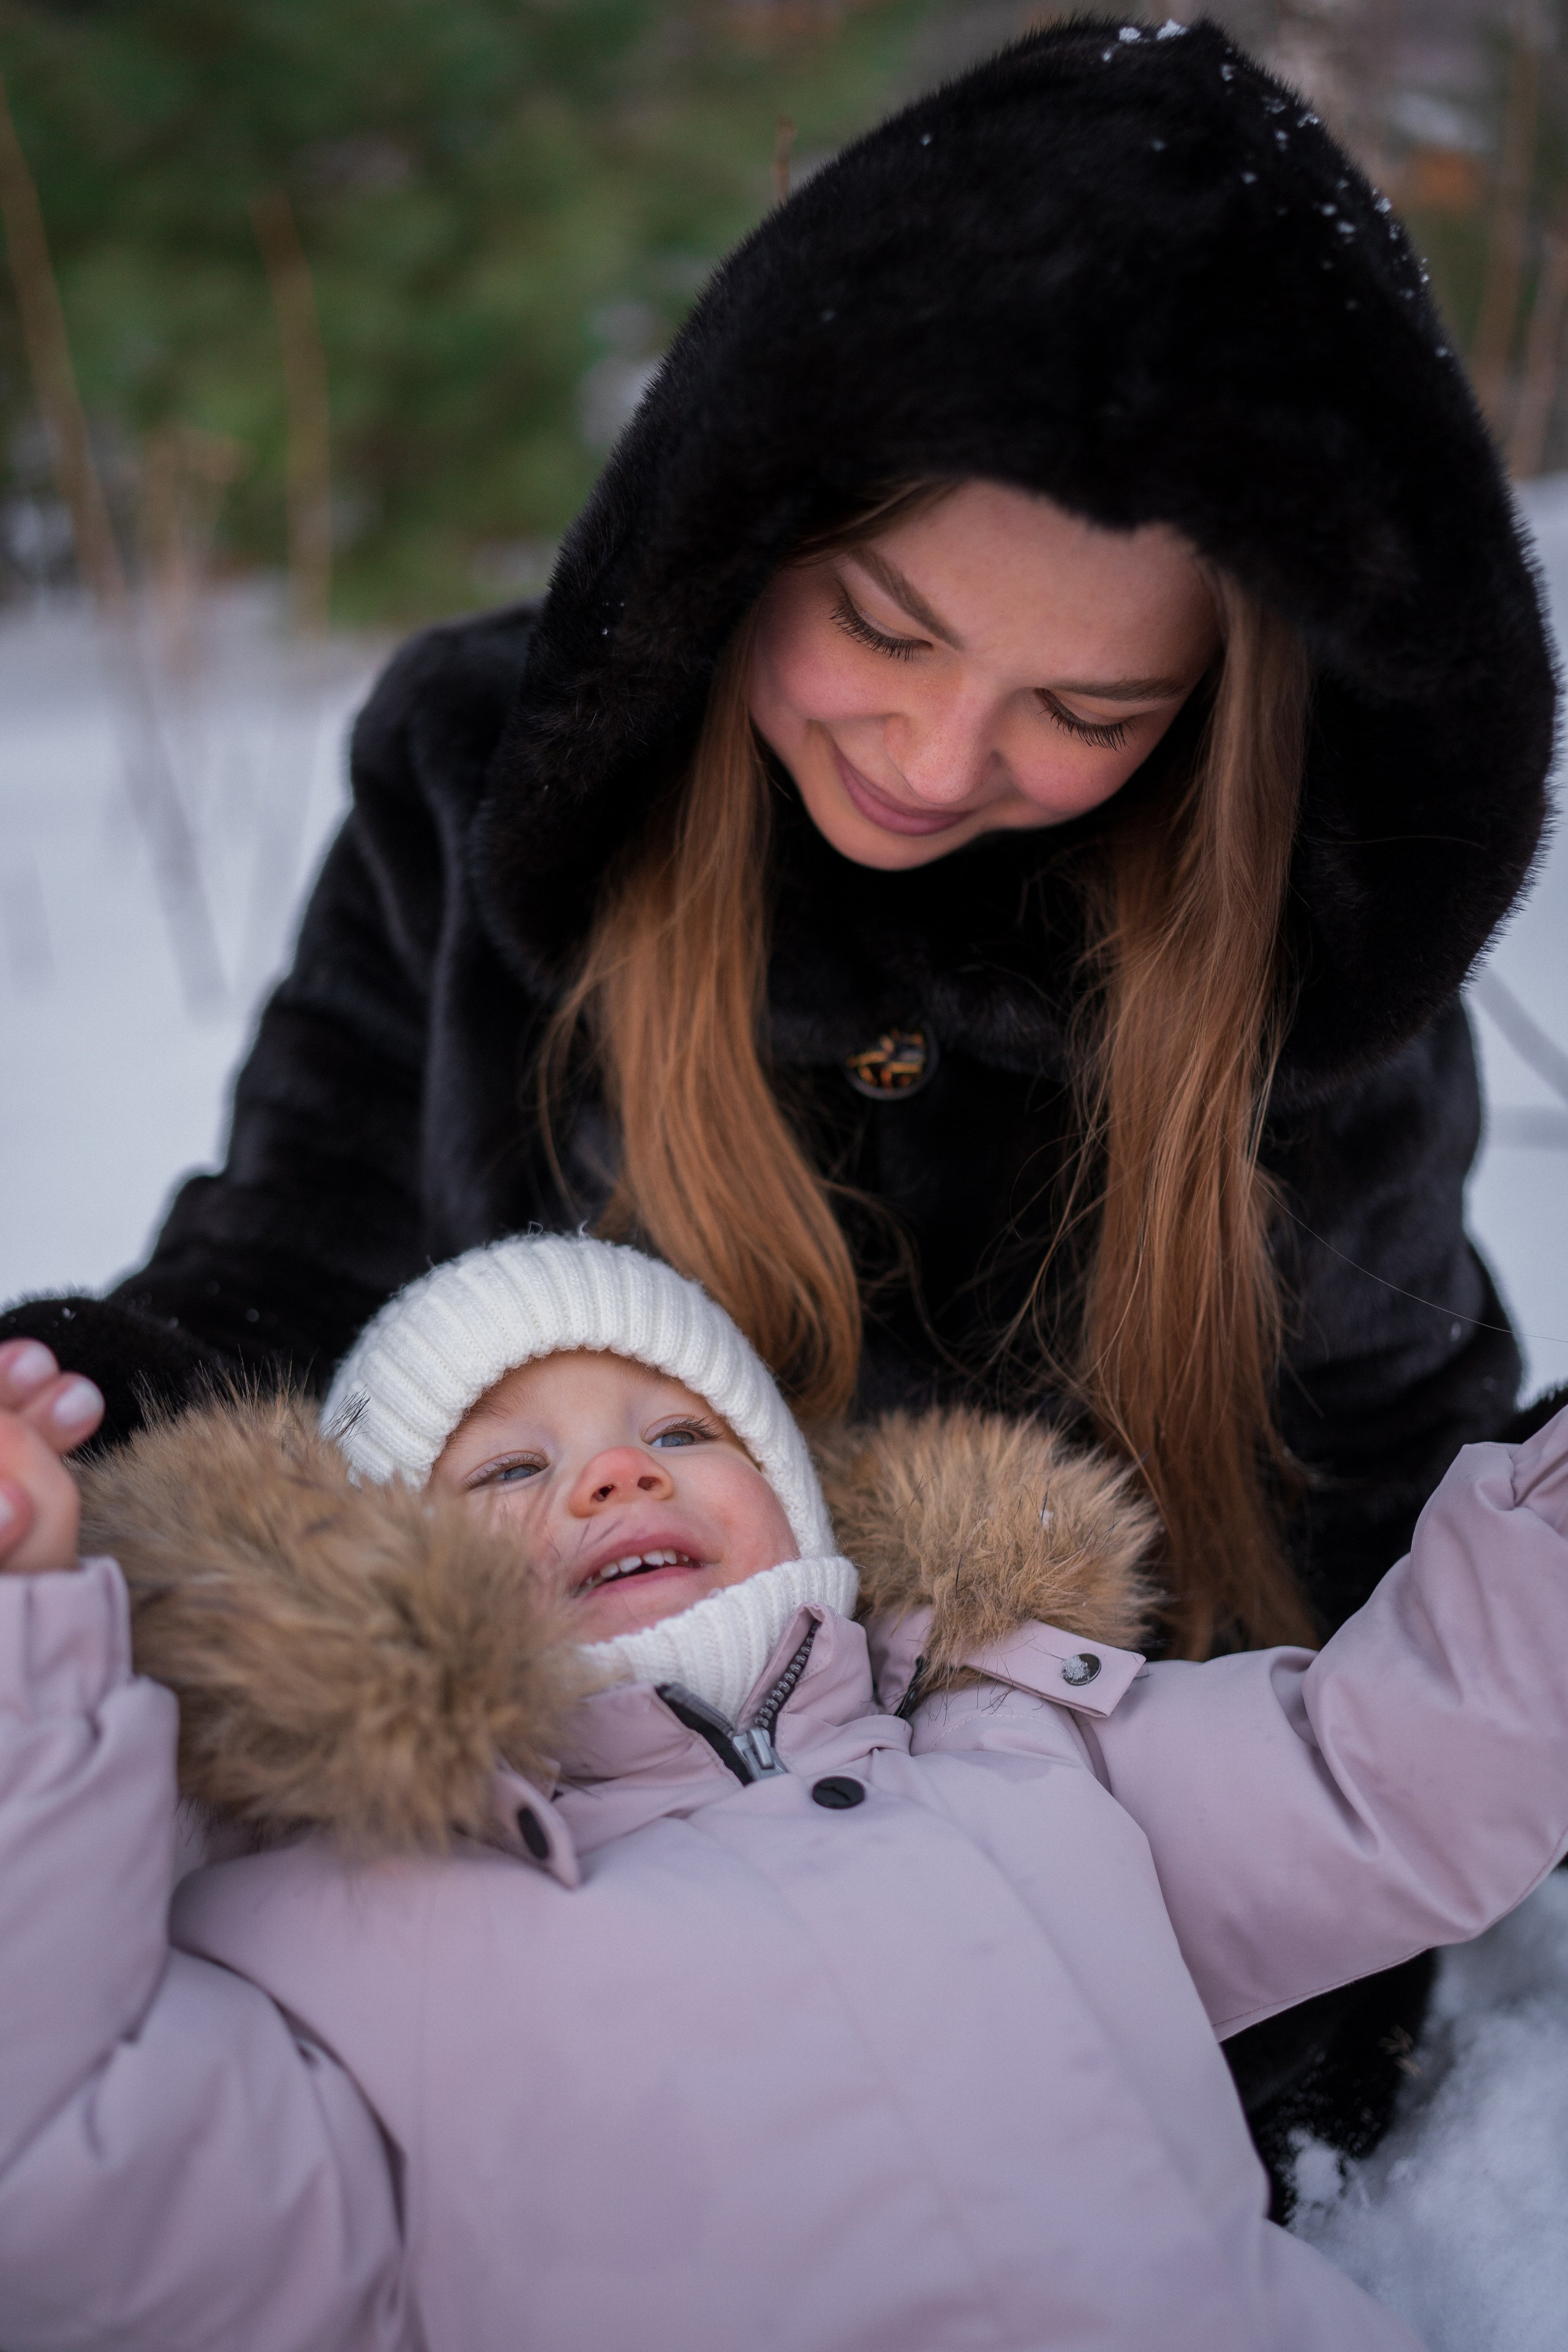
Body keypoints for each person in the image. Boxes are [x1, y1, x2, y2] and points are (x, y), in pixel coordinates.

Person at [0, 18, 1555, 2154]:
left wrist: (1262, 2048)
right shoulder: (479, 796)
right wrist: (70, 1415)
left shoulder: (1279, 978)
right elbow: (302, 1266)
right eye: (884, 628)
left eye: (1085, 706)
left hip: (1112, 1959)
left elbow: (1385, 1492)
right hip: (550, 1945)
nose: (934, 763)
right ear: (745, 523)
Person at [3, 1231, 1568, 2352]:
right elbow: (76, 2159)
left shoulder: (1019, 1745)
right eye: (503, 1470)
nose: (616, 1475)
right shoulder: (346, 1939)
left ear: (794, 1500)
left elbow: (1378, 1772)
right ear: (378, 1583)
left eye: (680, 1427)